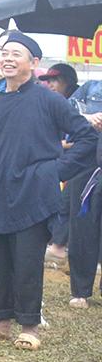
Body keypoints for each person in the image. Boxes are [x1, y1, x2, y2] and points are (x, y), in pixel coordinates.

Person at [0, 32, 97, 350]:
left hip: (33, 194)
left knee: (27, 261)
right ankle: (0, 321)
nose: (6, 58)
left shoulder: (50, 100)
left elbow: (86, 138)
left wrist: (54, 172)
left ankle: (30, 325)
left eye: (15, 54)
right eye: (3, 53)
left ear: (34, 63)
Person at [39, 62, 80, 260]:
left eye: (55, 79)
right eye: (48, 80)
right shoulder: (53, 103)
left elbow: (84, 141)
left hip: (79, 166)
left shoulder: (76, 105)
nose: (51, 84)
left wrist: (57, 144)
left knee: (67, 204)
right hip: (61, 165)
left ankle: (58, 245)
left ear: (69, 82)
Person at [68, 70, 102, 307]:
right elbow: (66, 112)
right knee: (82, 226)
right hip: (86, 162)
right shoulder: (91, 87)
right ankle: (80, 290)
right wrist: (89, 117)